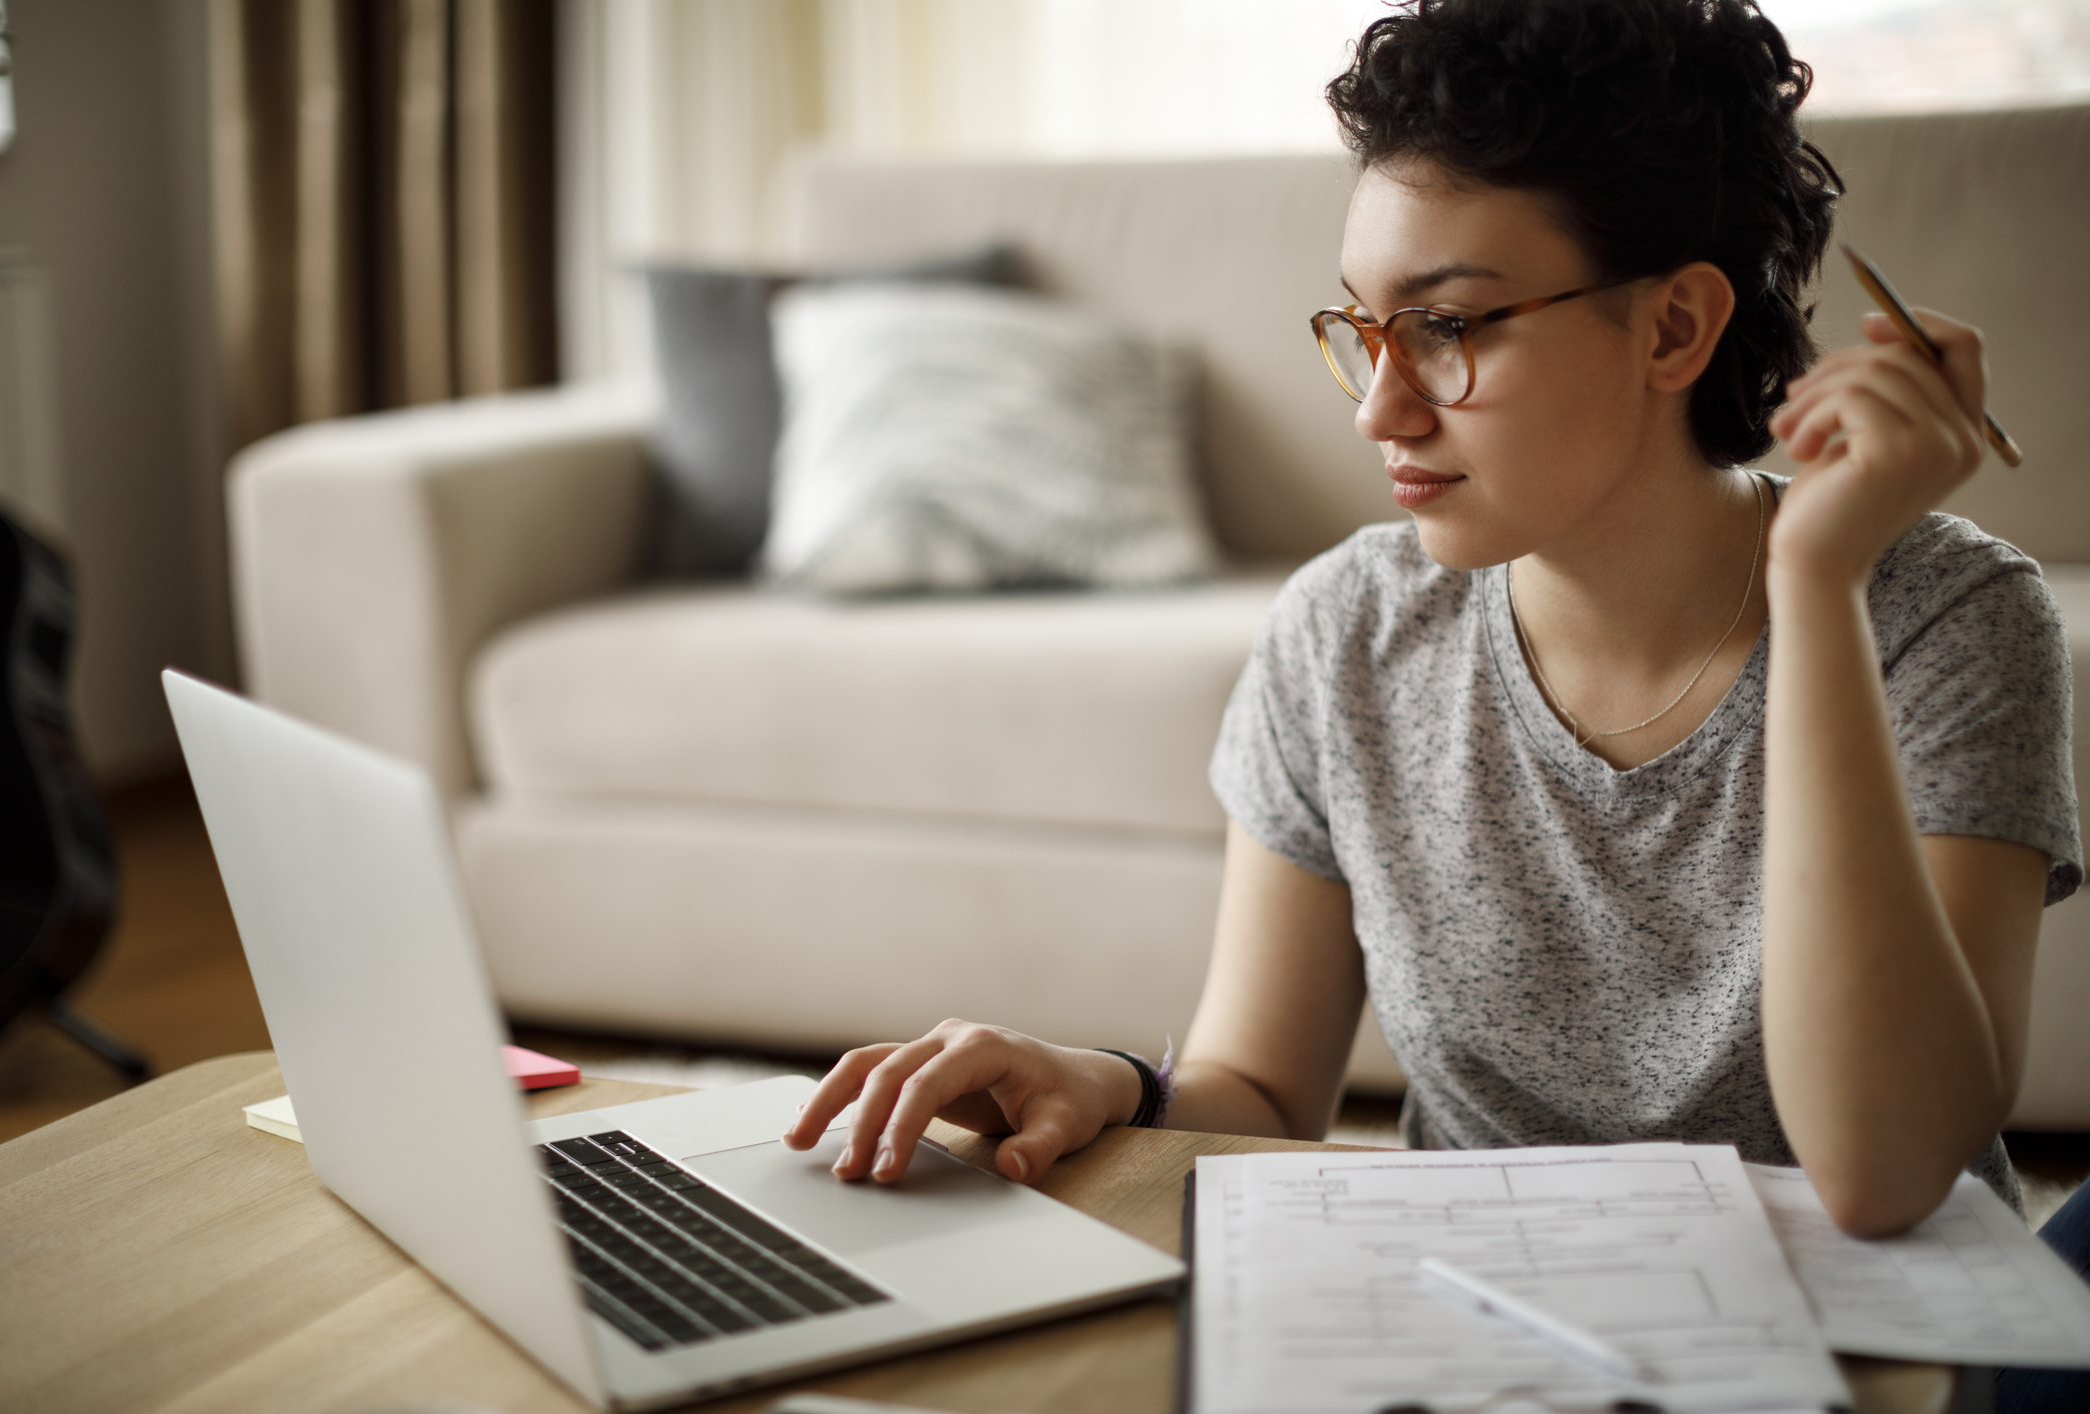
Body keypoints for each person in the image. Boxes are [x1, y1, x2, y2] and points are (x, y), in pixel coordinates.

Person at [783, 0, 2080, 1260]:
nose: (1380, 410)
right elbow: (1262, 1090)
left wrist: (1813, 585)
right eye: (1363, 327)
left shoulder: (1947, 620)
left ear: (1675, 325)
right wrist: (1107, 1080)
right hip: (1474, 1319)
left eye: (1449, 326)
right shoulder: (1346, 626)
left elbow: (1883, 1174)